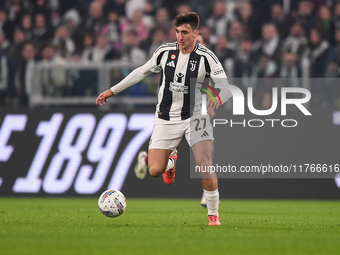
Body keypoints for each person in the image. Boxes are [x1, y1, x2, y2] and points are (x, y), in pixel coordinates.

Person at [96, 12, 232, 225]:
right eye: (177, 31)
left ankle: (213, 215)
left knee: (205, 165)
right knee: (154, 170)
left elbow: (226, 88)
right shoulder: (164, 52)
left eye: (185, 32)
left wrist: (216, 98)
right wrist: (112, 91)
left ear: (195, 33)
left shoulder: (207, 56)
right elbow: (141, 72)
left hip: (195, 116)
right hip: (165, 118)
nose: (180, 36)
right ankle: (171, 160)